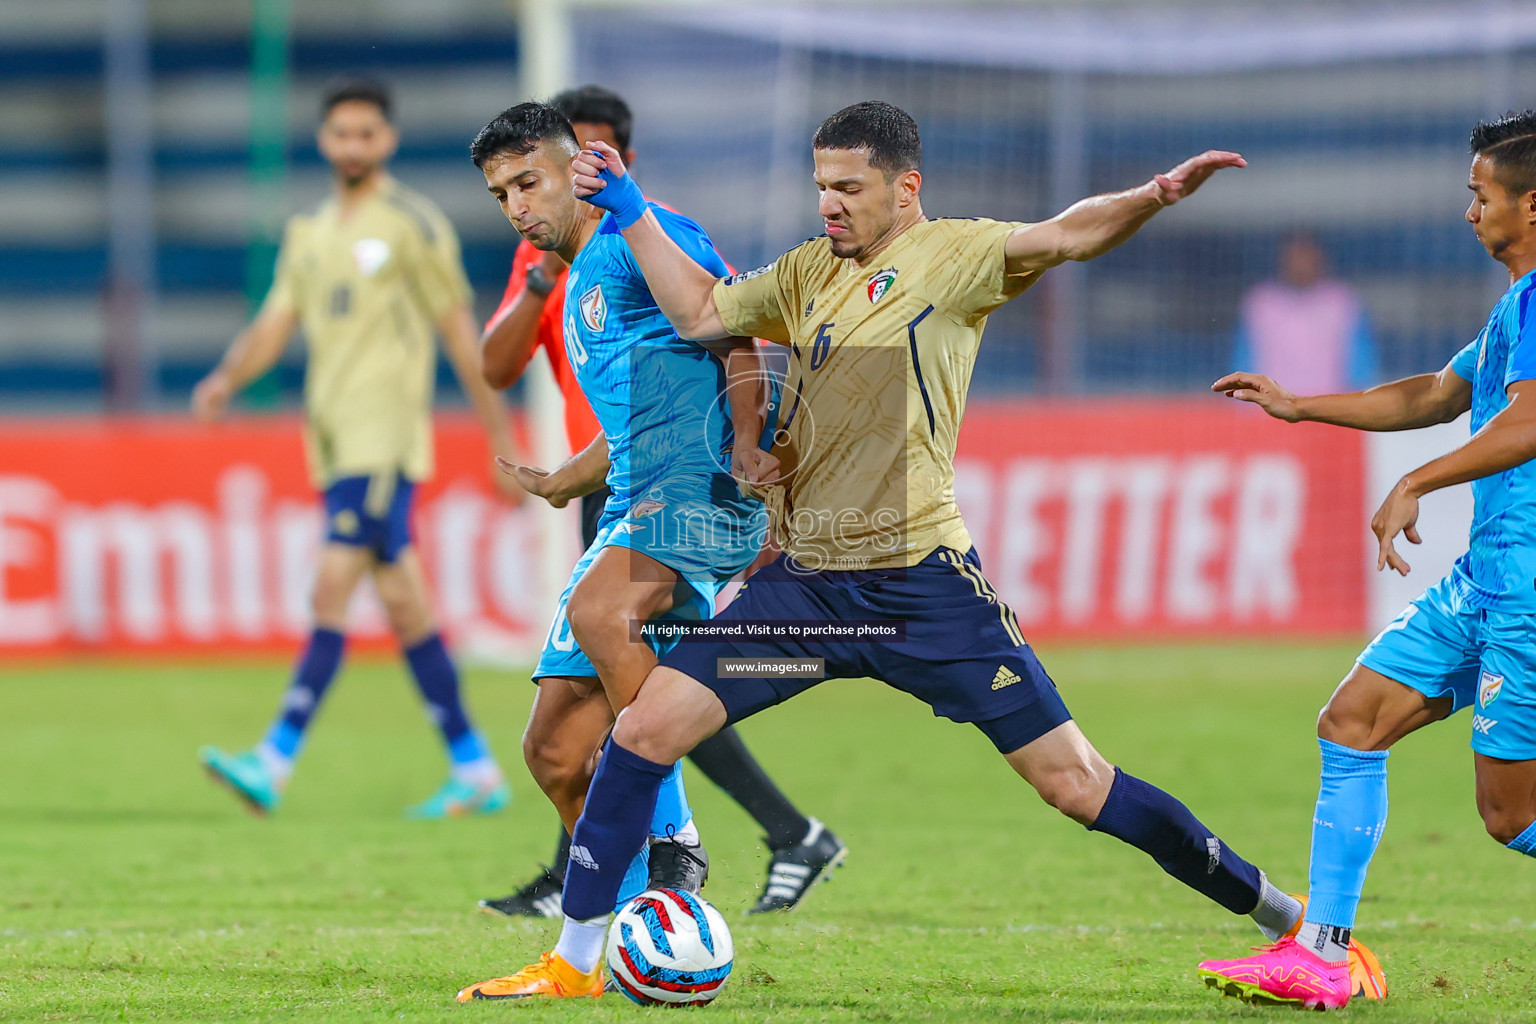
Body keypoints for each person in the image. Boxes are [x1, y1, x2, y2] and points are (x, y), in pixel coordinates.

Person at [454, 100, 1319, 1003]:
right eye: (821, 186)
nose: (829, 204)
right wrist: (629, 211)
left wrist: (1152, 194)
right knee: (639, 733)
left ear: (906, 188)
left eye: (849, 188)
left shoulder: (954, 256)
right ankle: (574, 962)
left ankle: (1287, 923)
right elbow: (707, 315)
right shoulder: (805, 273)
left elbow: (1064, 237)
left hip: (924, 594)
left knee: (1075, 784)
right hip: (804, 595)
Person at [476, 86, 845, 920]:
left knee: (609, 615)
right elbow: (649, 404)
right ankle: (649, 915)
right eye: (501, 195)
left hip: (701, 485)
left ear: (575, 166)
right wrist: (569, 476)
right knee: (555, 754)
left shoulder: (647, 233)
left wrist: (751, 447)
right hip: (634, 498)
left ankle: (675, 843)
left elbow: (733, 331)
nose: (516, 207)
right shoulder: (575, 292)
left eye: (528, 183)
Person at [1198, 110, 1536, 1009]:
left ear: (1531, 203)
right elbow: (1433, 392)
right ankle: (1322, 954)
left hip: (1531, 588)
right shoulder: (1516, 303)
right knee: (1352, 719)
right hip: (1488, 576)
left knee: (1514, 818)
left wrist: (1415, 482)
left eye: (1482, 195)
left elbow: (1532, 423)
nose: (1470, 211)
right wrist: (1300, 405)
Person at [193, 78, 520, 819]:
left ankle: (274, 758)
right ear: (324, 141)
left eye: (366, 134)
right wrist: (225, 379)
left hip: (384, 437)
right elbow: (274, 325)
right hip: (334, 439)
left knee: (329, 588)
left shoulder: (412, 223)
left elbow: (460, 335)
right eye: (342, 134)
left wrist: (500, 439)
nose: (353, 146)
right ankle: (474, 767)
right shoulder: (309, 232)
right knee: (405, 605)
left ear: (388, 140)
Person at [1233, 233, 1378, 395]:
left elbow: (1361, 366)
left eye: (1306, 256)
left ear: (1319, 258)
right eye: (1294, 257)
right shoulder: (1261, 303)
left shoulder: (1341, 301)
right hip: (1270, 410)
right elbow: (1244, 362)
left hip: (1327, 409)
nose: (1300, 264)